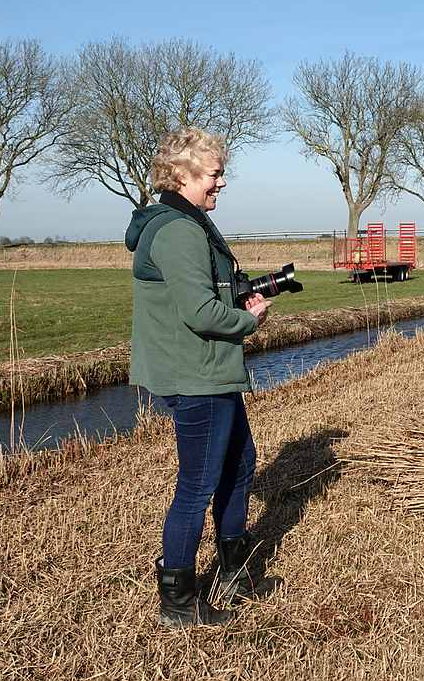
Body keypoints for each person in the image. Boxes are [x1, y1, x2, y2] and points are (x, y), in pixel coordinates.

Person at [125, 126, 278, 628]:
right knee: (197, 484)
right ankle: (179, 600)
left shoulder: (184, 223)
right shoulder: (178, 231)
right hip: (197, 375)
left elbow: (200, 298)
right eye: (214, 174)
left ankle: (235, 571)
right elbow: (201, 313)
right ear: (183, 174)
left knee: (238, 464)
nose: (221, 183)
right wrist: (250, 320)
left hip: (209, 371)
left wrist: (238, 301)